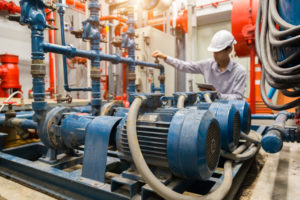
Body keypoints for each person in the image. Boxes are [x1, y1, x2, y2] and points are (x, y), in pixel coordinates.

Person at [152, 30, 246, 100]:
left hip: (231, 115)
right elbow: (185, 66)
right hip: (210, 110)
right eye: (213, 51)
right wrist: (165, 58)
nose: (214, 55)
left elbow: (238, 97)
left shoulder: (239, 71)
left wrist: (218, 95)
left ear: (229, 50)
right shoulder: (207, 65)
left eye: (218, 52)